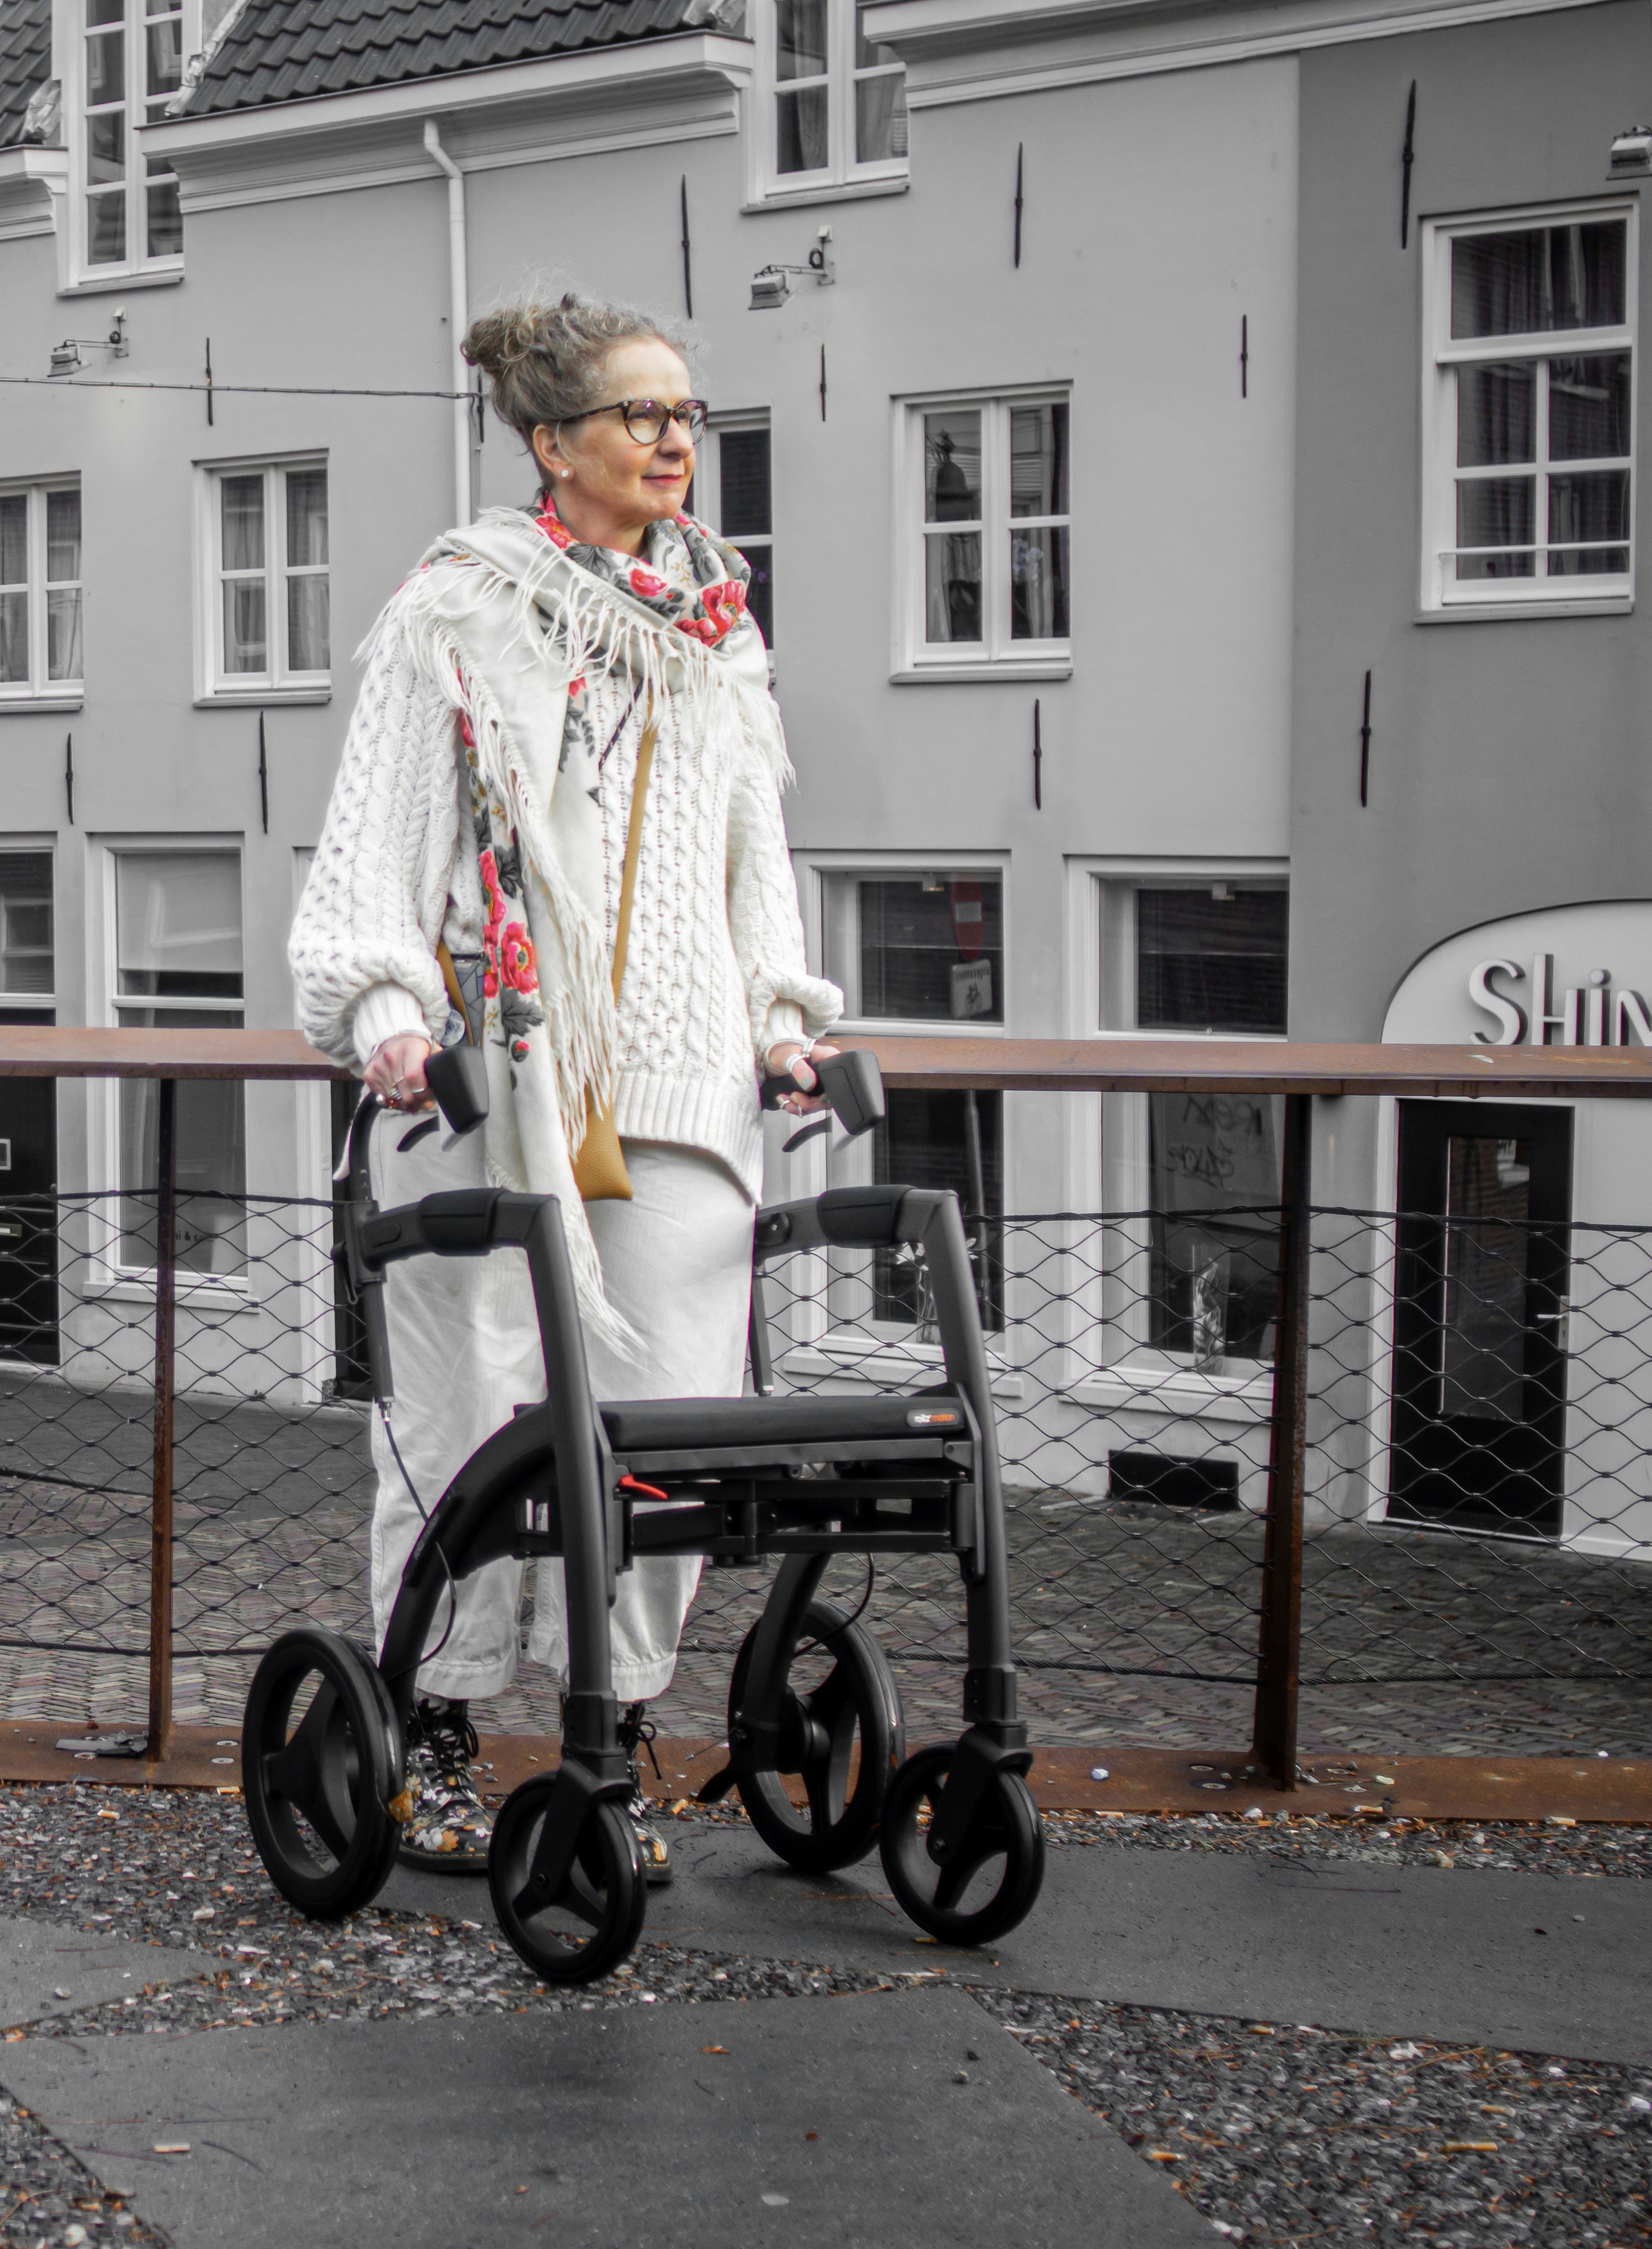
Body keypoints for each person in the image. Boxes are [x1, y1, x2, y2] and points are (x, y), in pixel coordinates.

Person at [289, 292, 842, 1882]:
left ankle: (602, 1727)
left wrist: (783, 1015)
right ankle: (441, 1724)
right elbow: (368, 857)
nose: (676, 440)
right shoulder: (458, 612)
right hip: (493, 1072)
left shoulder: (718, 632)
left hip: (684, 1080)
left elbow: (755, 869)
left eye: (687, 415)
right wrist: (386, 1006)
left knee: (672, 1418)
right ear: (551, 443)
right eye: (637, 416)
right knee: (474, 1412)